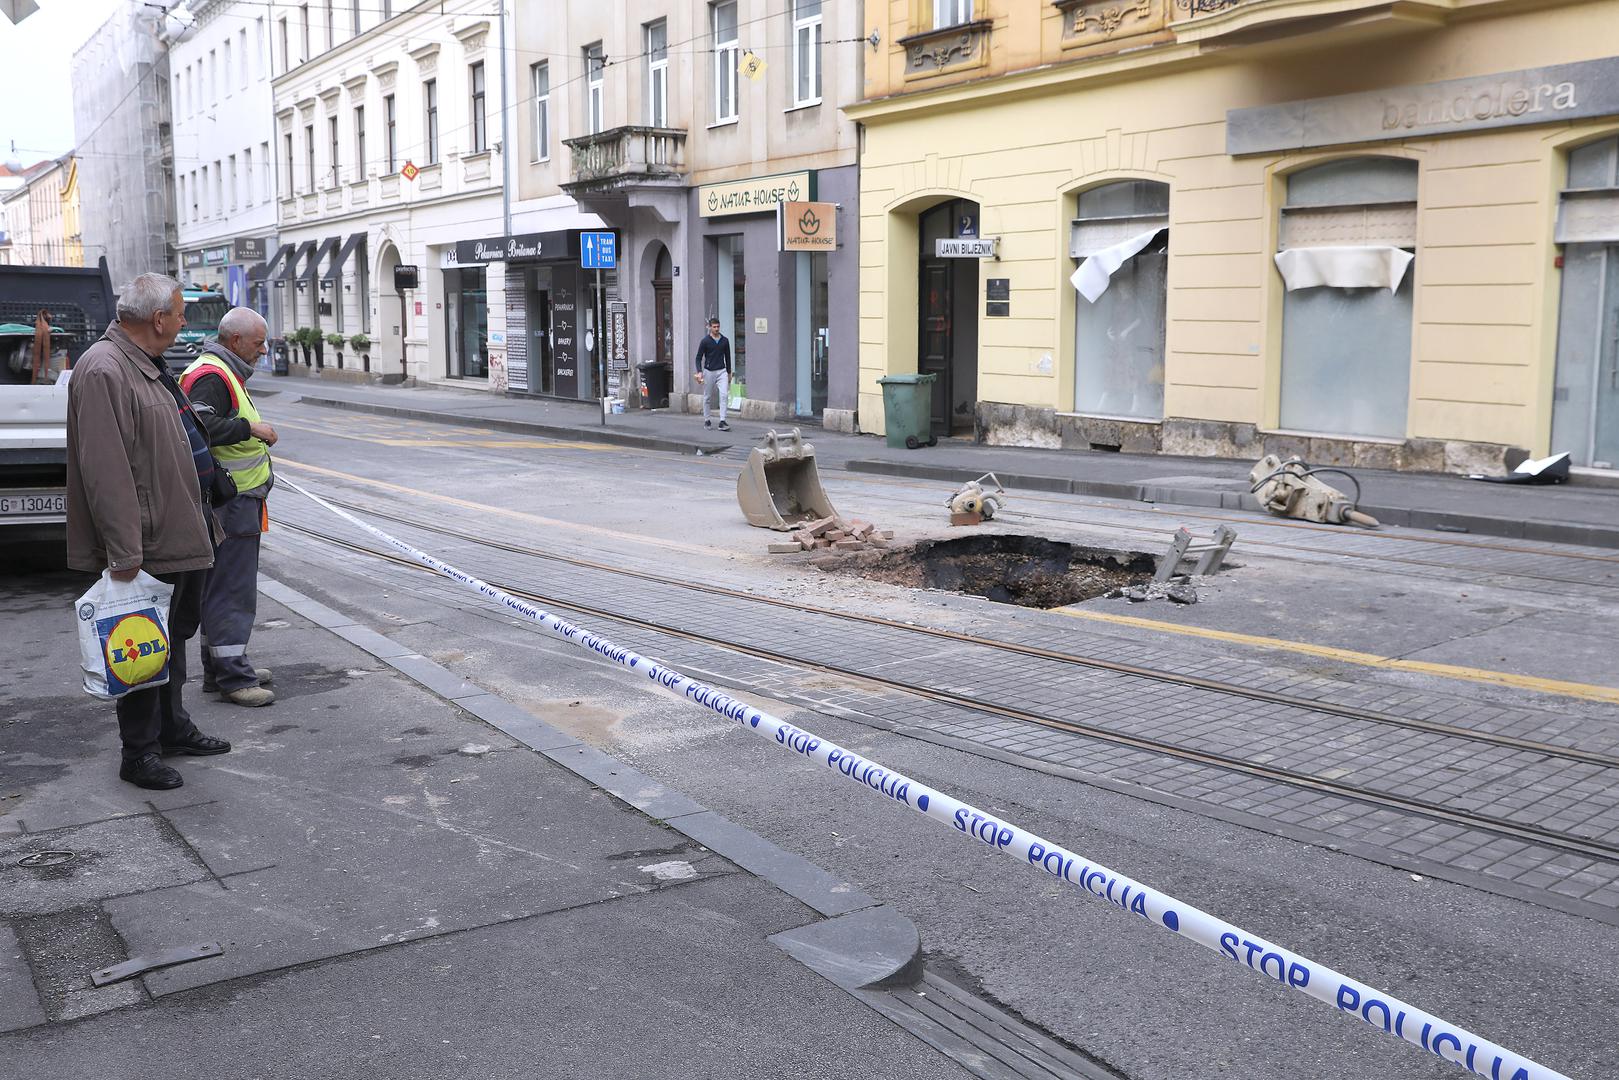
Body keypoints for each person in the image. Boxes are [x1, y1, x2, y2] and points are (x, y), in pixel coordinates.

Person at [66, 273, 233, 791]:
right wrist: (124, 551)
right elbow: (106, 471)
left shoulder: (144, 363)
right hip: (147, 541)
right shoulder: (104, 370)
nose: (184, 321)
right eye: (181, 312)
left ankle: (172, 728)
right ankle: (138, 753)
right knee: (139, 644)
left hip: (178, 532)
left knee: (172, 641)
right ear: (159, 319)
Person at [181, 307, 278, 707]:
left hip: (232, 499)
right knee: (232, 590)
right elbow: (201, 428)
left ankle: (221, 667)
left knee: (218, 587)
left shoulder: (218, 370)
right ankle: (234, 677)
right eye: (258, 343)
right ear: (235, 341)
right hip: (231, 501)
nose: (264, 350)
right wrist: (251, 428)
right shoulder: (213, 376)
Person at [694, 316, 732, 431]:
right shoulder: (705, 341)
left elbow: (728, 357)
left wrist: (729, 372)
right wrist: (700, 372)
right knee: (707, 397)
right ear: (710, 328)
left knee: (724, 395)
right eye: (714, 327)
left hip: (722, 371)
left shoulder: (725, 340)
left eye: (718, 327)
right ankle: (707, 420)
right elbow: (698, 357)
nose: (716, 329)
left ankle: (722, 421)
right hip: (709, 371)